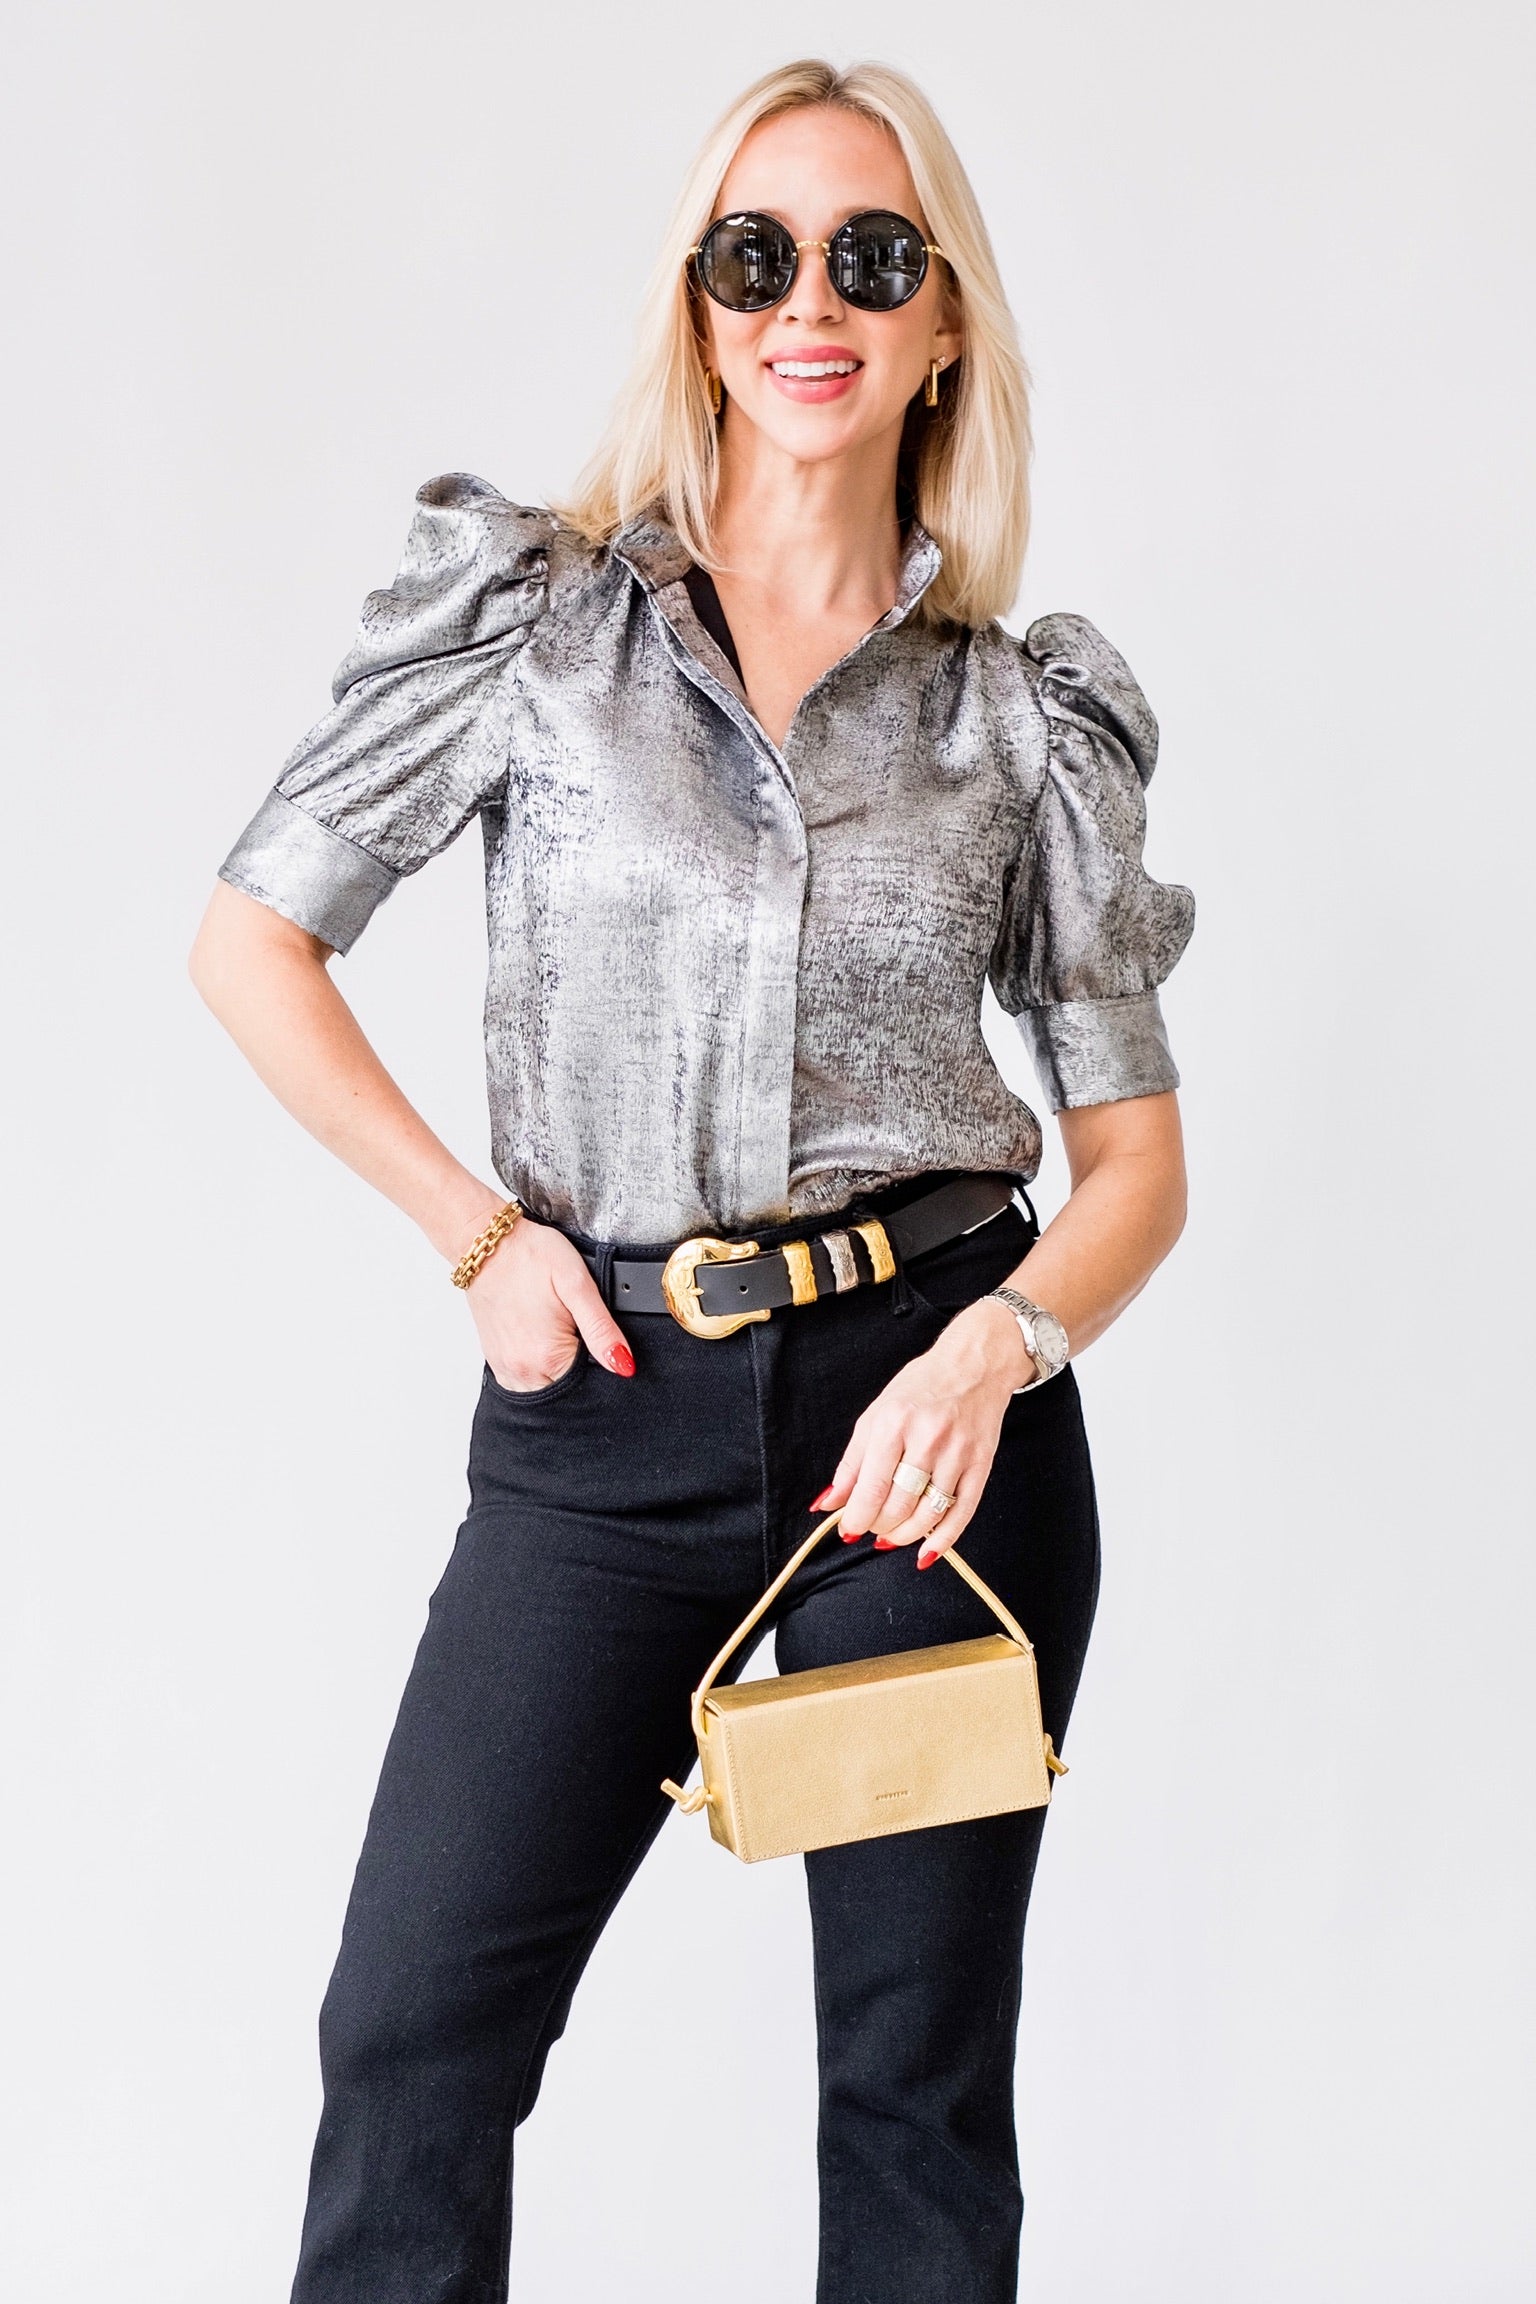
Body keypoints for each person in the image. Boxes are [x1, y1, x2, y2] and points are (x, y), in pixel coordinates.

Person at [190, 54, 1194, 2304]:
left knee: (912, 2097)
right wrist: (476, 1233)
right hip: (602, 1423)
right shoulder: (544, 632)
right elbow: (251, 940)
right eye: (757, 257)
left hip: (924, 1447)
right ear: (699, 303)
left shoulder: (1015, 721)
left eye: (869, 256)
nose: (806, 304)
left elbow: (1132, 1161)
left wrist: (1001, 1349)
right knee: (413, 2036)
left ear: (944, 320)